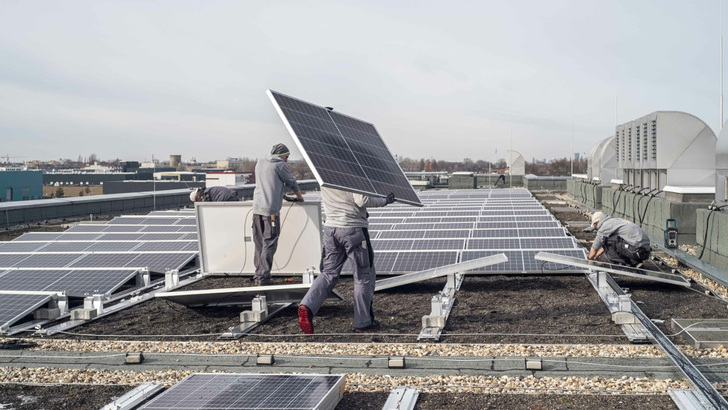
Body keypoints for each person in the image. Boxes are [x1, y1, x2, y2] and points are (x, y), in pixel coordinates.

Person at [298, 187, 396, 334]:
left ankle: (307, 306)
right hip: (353, 229)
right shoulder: (351, 170)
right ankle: (363, 323)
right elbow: (361, 200)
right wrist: (385, 200)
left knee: (328, 273)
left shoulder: (323, 169)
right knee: (363, 276)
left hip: (331, 229)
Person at [252, 143, 304, 286]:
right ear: (281, 155)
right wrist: (299, 197)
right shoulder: (279, 165)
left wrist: (283, 196)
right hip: (271, 212)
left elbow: (269, 185)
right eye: (286, 157)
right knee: (270, 243)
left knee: (259, 243)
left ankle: (258, 275)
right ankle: (263, 277)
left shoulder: (260, 163)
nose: (287, 160)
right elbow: (292, 182)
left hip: (256, 209)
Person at [588, 211, 652, 268]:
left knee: (606, 240)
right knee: (612, 239)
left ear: (597, 223)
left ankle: (621, 263)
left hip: (636, 251)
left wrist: (589, 260)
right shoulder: (615, 221)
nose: (596, 228)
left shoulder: (604, 226)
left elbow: (595, 247)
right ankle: (635, 262)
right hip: (645, 251)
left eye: (595, 226)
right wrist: (597, 254)